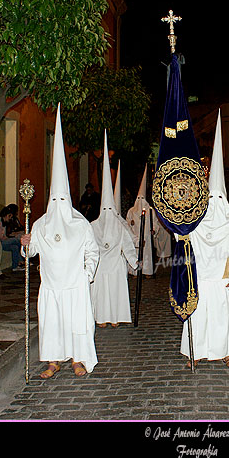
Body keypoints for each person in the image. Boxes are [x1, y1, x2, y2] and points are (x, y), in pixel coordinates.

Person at [20, 107, 100, 379]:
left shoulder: (80, 224)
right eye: (55, 200)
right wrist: (26, 242)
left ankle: (79, 359)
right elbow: (31, 253)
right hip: (52, 284)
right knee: (52, 323)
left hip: (75, 283)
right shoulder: (41, 223)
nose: (58, 205)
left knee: (77, 322)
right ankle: (53, 360)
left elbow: (92, 251)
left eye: (61, 200)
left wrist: (86, 274)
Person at [181, 111, 229, 369]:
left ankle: (227, 351)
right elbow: (182, 237)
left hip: (223, 277)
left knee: (224, 317)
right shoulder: (196, 222)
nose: (215, 204)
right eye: (211, 199)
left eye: (219, 199)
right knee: (200, 315)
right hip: (201, 276)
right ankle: (195, 351)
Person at [91, 130, 139, 328]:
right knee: (103, 290)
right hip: (101, 265)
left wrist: (134, 260)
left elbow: (128, 244)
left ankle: (115, 316)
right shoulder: (93, 226)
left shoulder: (119, 226)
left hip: (116, 265)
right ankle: (102, 317)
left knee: (114, 290)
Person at [127, 166, 155, 279]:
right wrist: (131, 223)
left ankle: (147, 271)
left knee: (146, 254)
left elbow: (155, 223)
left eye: (142, 199)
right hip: (136, 235)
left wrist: (154, 230)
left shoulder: (150, 210)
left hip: (146, 236)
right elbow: (127, 223)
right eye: (138, 199)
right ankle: (135, 272)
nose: (140, 202)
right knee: (136, 254)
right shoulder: (131, 211)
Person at [0, 205, 24, 272]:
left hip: (4, 240)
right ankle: (22, 260)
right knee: (18, 240)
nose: (10, 218)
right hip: (0, 242)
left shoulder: (5, 223)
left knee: (14, 247)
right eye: (9, 216)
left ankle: (15, 266)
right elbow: (0, 236)